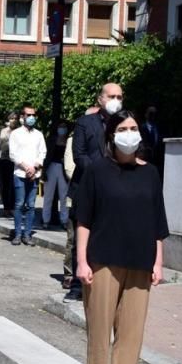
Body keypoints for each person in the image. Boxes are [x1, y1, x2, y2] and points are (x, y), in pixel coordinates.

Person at [75, 110, 168, 364]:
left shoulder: (151, 173)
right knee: (100, 331)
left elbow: (158, 222)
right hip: (103, 260)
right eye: (124, 128)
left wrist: (158, 261)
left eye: (134, 128)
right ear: (112, 135)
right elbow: (84, 219)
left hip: (140, 262)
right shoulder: (97, 171)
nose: (130, 133)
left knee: (131, 335)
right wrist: (81, 260)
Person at [67, 83, 124, 302]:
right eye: (111, 96)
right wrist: (101, 175)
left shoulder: (125, 124)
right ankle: (77, 286)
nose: (115, 100)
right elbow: (79, 155)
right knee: (80, 237)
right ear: (100, 99)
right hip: (87, 188)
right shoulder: (85, 123)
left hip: (116, 191)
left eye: (119, 96)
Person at [8, 104, 46, 246]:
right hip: (20, 173)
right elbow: (13, 154)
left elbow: (42, 152)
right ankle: (17, 233)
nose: (31, 118)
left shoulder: (39, 134)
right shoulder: (16, 133)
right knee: (19, 204)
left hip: (34, 174)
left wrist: (35, 166)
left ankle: (27, 234)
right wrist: (25, 167)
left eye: (33, 115)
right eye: (28, 115)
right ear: (22, 117)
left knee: (31, 205)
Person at [41, 119, 73, 228]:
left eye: (64, 127)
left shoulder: (69, 140)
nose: (62, 129)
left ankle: (64, 220)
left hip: (64, 169)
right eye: (60, 126)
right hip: (51, 167)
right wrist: (43, 171)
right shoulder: (51, 139)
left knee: (64, 196)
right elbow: (46, 156)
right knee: (48, 195)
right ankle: (45, 220)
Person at [0, 112, 19, 218]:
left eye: (15, 118)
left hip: (16, 161)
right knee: (4, 185)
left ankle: (13, 207)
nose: (13, 120)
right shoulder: (0, 131)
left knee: (14, 185)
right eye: (11, 118)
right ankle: (6, 207)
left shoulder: (19, 131)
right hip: (3, 160)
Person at [140, 106, 163, 171]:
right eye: (150, 113)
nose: (152, 116)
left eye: (154, 114)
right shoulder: (141, 128)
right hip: (145, 157)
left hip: (157, 158)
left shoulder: (159, 127)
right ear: (146, 115)